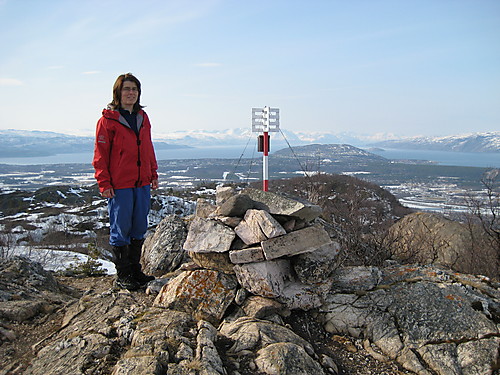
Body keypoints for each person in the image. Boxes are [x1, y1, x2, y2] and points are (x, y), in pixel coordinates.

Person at [92, 73, 158, 291]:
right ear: (118, 92)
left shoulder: (142, 117)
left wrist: (153, 173)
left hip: (141, 182)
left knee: (139, 226)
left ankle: (135, 271)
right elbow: (100, 154)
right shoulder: (107, 120)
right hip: (120, 184)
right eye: (126, 89)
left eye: (134, 89)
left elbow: (147, 147)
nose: (131, 93)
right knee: (121, 228)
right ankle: (123, 274)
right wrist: (104, 182)